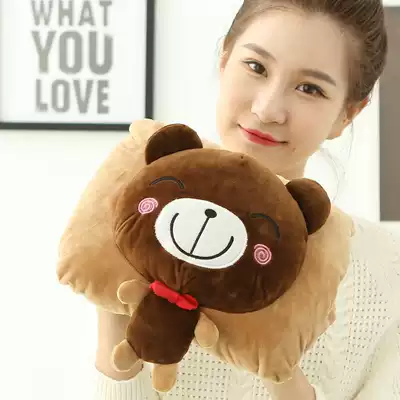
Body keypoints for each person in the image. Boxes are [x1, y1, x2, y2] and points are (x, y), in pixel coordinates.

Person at [92, 0, 400, 399]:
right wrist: (112, 312)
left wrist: (280, 363)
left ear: (347, 114)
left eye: (310, 88)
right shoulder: (138, 216)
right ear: (224, 62)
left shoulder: (387, 270)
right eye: (256, 67)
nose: (267, 109)